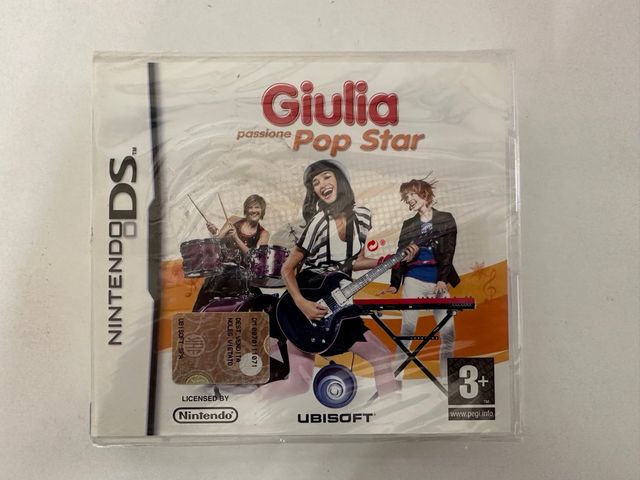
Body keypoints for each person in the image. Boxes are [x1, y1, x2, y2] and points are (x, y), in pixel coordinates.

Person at [259, 159, 416, 400]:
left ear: (340, 179)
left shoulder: (363, 217)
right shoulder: (318, 223)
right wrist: (303, 304)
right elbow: (287, 269)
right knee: (298, 384)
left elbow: (354, 262)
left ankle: (392, 413)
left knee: (382, 356)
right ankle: (251, 406)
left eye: (326, 176)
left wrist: (389, 260)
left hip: (338, 301)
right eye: (315, 182)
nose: (321, 184)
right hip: (306, 300)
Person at [378, 178, 460, 382]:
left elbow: (448, 253)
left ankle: (446, 380)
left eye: (411, 194)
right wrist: (394, 284)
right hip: (413, 280)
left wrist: (442, 281)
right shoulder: (409, 225)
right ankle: (396, 379)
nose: (408, 199)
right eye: (406, 197)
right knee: (407, 331)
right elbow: (400, 256)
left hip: (438, 281)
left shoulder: (446, 219)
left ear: (424, 194)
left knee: (449, 334)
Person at [192, 194, 270, 311]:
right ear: (246, 210)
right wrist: (215, 232)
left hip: (242, 277)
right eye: (250, 207)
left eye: (257, 207)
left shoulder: (264, 234)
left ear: (262, 210)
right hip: (221, 271)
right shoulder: (233, 220)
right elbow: (216, 243)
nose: (254, 210)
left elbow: (255, 259)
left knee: (256, 304)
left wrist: (236, 238)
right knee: (205, 301)